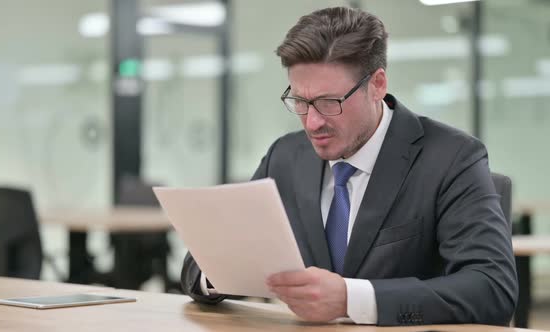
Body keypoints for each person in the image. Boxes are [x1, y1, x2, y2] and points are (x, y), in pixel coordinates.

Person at [180, 6, 517, 326]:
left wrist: (351, 299)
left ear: (378, 85)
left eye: (330, 102)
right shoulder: (285, 157)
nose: (312, 123)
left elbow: (492, 288)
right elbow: (198, 267)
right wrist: (226, 272)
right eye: (300, 101)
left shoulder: (451, 158)